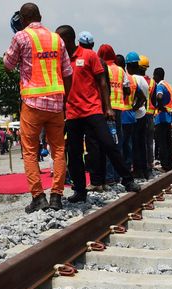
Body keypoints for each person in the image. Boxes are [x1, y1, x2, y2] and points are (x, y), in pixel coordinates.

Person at [56, 26, 139, 203]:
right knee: (75, 152)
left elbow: (102, 82)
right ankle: (79, 190)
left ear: (68, 40)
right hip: (72, 113)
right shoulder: (60, 60)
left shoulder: (89, 56)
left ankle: (127, 180)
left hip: (93, 110)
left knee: (109, 144)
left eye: (59, 40)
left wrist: (107, 107)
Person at [3, 2, 73, 213]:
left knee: (31, 151)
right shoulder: (56, 38)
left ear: (23, 20)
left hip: (32, 104)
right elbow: (67, 72)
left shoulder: (21, 37)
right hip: (55, 104)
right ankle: (57, 197)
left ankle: (38, 197)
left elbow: (8, 64)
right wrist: (64, 101)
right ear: (40, 16)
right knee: (58, 150)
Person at [98, 43, 128, 185]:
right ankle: (117, 176)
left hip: (106, 110)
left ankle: (108, 177)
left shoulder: (102, 68)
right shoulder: (121, 71)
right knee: (118, 143)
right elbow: (127, 89)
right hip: (119, 109)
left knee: (107, 143)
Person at [124, 52, 149, 179]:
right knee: (141, 144)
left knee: (133, 145)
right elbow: (144, 98)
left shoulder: (132, 79)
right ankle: (143, 170)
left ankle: (137, 170)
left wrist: (133, 108)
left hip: (133, 116)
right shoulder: (143, 80)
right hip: (143, 114)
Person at [153, 67, 172, 171]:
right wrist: (168, 106)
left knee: (162, 143)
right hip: (168, 117)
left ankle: (164, 166)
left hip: (161, 118)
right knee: (168, 142)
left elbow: (159, 96)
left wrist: (160, 106)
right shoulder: (168, 85)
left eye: (154, 75)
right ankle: (169, 164)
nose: (153, 77)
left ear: (157, 76)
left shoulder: (160, 86)